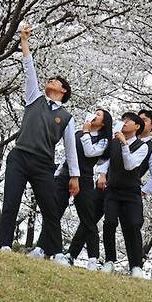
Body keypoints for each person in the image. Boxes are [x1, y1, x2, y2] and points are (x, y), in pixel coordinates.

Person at [0, 24, 79, 265]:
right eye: (49, 79)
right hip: (20, 156)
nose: (49, 81)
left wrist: (74, 176)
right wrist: (24, 41)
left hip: (44, 164)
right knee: (11, 200)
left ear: (63, 91)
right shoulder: (34, 97)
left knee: (50, 209)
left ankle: (57, 253)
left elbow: (70, 148)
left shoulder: (66, 117)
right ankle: (4, 244)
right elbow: (28, 68)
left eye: (55, 81)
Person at [31, 109, 113, 268]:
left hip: (85, 178)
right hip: (64, 175)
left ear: (103, 123)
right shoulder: (77, 133)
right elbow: (68, 154)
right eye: (94, 112)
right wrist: (58, 172)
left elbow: (90, 152)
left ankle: (92, 259)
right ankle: (42, 248)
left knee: (87, 217)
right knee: (54, 213)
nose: (93, 115)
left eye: (98, 115)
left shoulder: (103, 141)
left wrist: (87, 133)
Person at [96, 109, 152, 274]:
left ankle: (136, 266)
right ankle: (109, 260)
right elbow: (106, 160)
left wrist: (124, 144)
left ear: (137, 126)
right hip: (113, 190)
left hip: (131, 192)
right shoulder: (114, 142)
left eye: (127, 121)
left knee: (133, 225)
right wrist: (102, 174)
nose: (123, 122)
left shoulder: (143, 147)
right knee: (109, 222)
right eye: (122, 119)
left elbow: (130, 165)